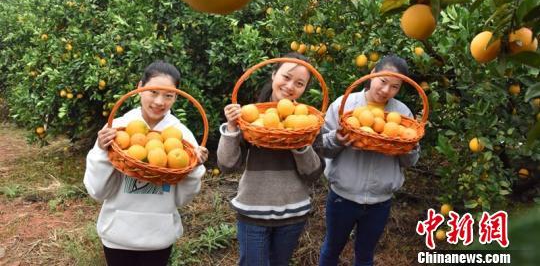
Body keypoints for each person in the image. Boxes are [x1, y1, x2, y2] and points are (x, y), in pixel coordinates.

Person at [83, 60, 208, 266]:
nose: (160, 102)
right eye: (154, 92)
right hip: (117, 236)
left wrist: (194, 169)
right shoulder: (118, 129)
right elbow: (97, 192)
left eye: (168, 95)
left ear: (176, 96)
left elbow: (182, 200)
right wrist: (100, 151)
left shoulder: (182, 137)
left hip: (158, 237)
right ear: (140, 88)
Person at [218, 52, 324, 266]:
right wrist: (231, 127)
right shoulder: (250, 117)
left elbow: (313, 173)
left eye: (300, 83)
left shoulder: (309, 123)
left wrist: (300, 142)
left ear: (304, 89)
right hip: (253, 212)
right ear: (274, 75)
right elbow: (227, 165)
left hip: (293, 213)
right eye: (286, 77)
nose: (290, 86)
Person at [317, 54, 420, 266]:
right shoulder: (344, 106)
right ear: (372, 73)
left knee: (365, 255)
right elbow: (321, 148)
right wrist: (336, 139)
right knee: (331, 250)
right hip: (342, 198)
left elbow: (410, 161)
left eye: (394, 87)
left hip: (379, 202)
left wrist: (408, 147)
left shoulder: (402, 114)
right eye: (383, 82)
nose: (385, 90)